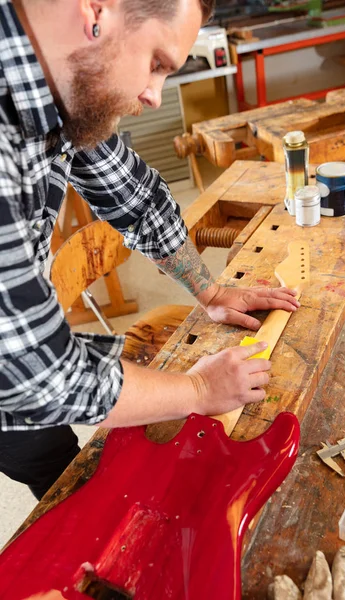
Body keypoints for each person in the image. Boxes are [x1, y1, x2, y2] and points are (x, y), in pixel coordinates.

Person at [0, 0, 300, 501]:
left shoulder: (59, 81)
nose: (154, 96)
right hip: (16, 382)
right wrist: (198, 392)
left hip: (26, 360)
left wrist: (211, 291)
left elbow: (137, 199)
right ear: (96, 9)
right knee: (61, 483)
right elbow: (40, 377)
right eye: (158, 62)